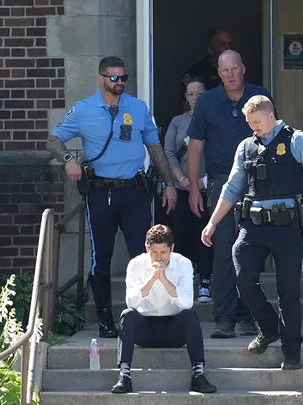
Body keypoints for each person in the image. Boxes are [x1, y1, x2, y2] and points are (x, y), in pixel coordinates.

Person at [46, 56, 178, 338]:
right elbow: (53, 140)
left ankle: (146, 314)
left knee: (145, 255)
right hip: (100, 193)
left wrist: (169, 183)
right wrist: (69, 159)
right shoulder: (84, 109)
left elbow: (155, 148)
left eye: (123, 78)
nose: (119, 83)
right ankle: (105, 318)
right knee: (101, 258)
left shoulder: (138, 107)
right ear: (101, 78)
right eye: (113, 77)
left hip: (134, 191)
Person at [201, 95, 303, 369]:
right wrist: (213, 222)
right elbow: (232, 187)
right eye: (249, 123)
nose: (253, 128)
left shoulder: (297, 140)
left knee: (288, 291)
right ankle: (268, 325)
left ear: (271, 115)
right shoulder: (245, 146)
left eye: (257, 122)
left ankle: (292, 349)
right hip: (253, 225)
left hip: (287, 225)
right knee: (243, 279)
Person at [186, 50, 274, 339]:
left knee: (251, 251)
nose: (231, 74)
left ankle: (247, 316)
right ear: (219, 73)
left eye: (235, 68)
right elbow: (195, 146)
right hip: (221, 185)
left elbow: (274, 139)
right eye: (225, 71)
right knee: (223, 252)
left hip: (257, 185)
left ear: (243, 68)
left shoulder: (260, 97)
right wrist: (193, 187)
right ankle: (224, 319)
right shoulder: (207, 102)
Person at [111, 224, 217, 394]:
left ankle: (198, 374)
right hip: (145, 328)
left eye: (163, 252)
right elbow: (131, 302)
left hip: (173, 329)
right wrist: (152, 279)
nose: (158, 258)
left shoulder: (183, 263)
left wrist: (165, 280)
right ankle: (124, 375)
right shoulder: (135, 264)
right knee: (127, 315)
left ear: (172, 248)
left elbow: (187, 303)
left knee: (190, 315)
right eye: (154, 252)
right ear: (147, 247)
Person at [164, 77, 214, 302]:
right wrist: (182, 179)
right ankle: (185, 279)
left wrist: (204, 180)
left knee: (205, 234)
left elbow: (222, 154)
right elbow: (168, 152)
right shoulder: (177, 122)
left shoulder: (215, 120)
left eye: (200, 94)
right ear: (185, 98)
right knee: (181, 232)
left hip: (207, 187)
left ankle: (205, 282)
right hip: (181, 187)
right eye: (191, 94)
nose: (195, 98)